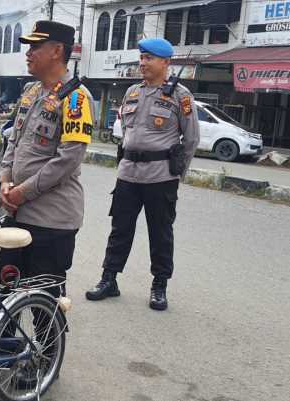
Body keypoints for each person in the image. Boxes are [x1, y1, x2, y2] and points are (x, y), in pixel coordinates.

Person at [85, 38, 200, 311]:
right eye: (142, 57)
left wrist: (176, 174)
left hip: (160, 177)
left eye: (149, 58)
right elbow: (127, 131)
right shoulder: (132, 92)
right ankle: (109, 279)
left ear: (165, 62)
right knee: (119, 229)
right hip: (128, 173)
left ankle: (159, 285)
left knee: (160, 233)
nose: (143, 63)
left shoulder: (180, 96)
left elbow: (192, 139)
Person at [0, 21, 95, 298]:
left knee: (45, 299)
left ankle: (49, 344)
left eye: (35, 47)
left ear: (56, 51)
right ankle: (5, 343)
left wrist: (21, 193)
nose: (28, 53)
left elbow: (68, 159)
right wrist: (5, 180)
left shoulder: (76, 98)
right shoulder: (31, 92)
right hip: (18, 212)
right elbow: (13, 141)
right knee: (3, 292)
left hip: (51, 220)